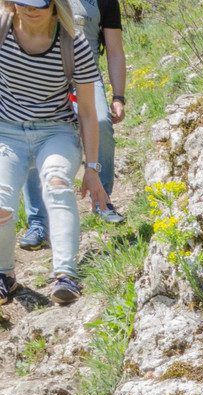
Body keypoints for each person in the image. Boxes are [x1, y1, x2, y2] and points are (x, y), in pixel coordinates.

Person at [0, 0, 109, 304]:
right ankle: (4, 275)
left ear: (54, 6)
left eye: (38, 3)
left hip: (56, 130)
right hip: (7, 131)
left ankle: (66, 275)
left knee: (58, 184)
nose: (29, 8)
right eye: (21, 1)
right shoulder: (2, 30)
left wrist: (92, 167)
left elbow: (87, 112)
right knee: (1, 202)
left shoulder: (74, 45)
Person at [17, 0, 123, 252]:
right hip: (42, 73)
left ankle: (102, 200)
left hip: (85, 75)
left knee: (100, 121)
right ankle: (38, 223)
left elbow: (115, 49)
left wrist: (118, 96)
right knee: (34, 129)